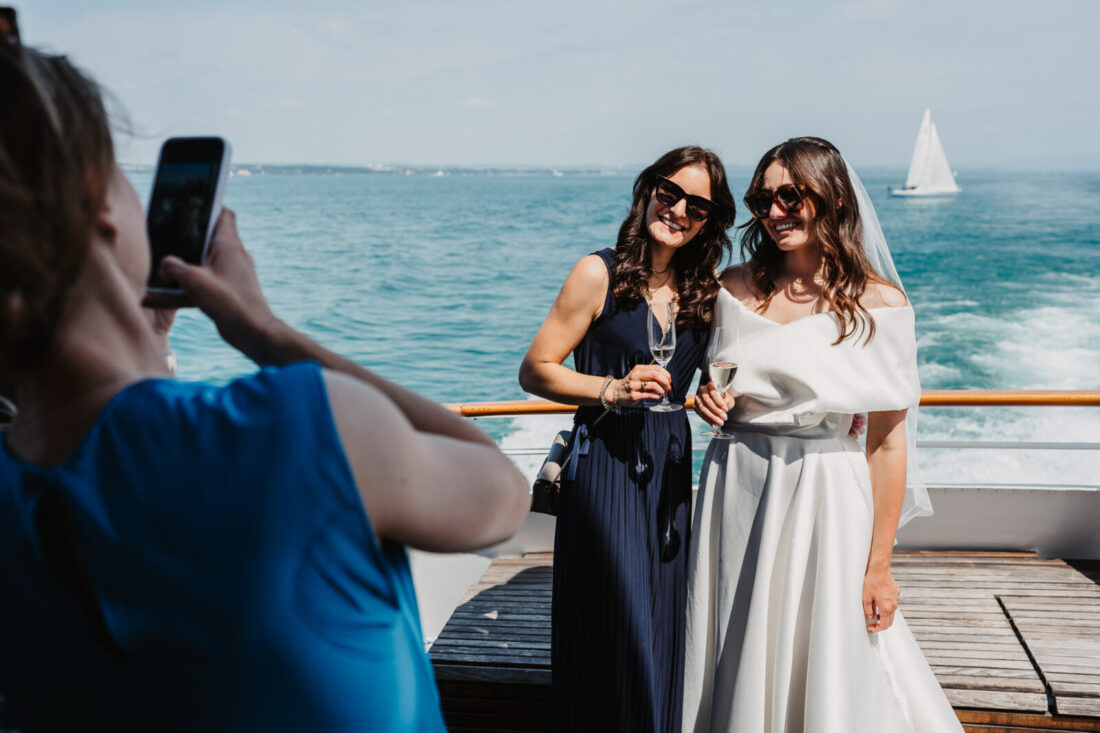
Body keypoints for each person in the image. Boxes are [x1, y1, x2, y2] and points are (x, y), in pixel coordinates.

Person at [0, 42, 530, 731]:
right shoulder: (294, 427)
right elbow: (501, 492)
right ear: (97, 206)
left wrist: (146, 347)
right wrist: (264, 332)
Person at [683, 137, 961, 732]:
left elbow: (885, 443)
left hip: (824, 494)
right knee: (733, 638)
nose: (774, 212)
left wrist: (880, 568)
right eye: (763, 198)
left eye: (791, 195)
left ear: (829, 198)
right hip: (735, 484)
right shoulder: (730, 288)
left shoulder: (879, 303)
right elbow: (719, 387)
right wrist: (706, 398)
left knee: (827, 649)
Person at [519, 146, 737, 732]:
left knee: (665, 624)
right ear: (648, 191)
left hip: (668, 469)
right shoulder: (599, 272)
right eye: (670, 192)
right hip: (605, 466)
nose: (678, 210)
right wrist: (611, 389)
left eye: (697, 205)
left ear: (710, 222)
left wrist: (718, 395)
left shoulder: (707, 293)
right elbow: (536, 368)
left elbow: (716, 375)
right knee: (618, 624)